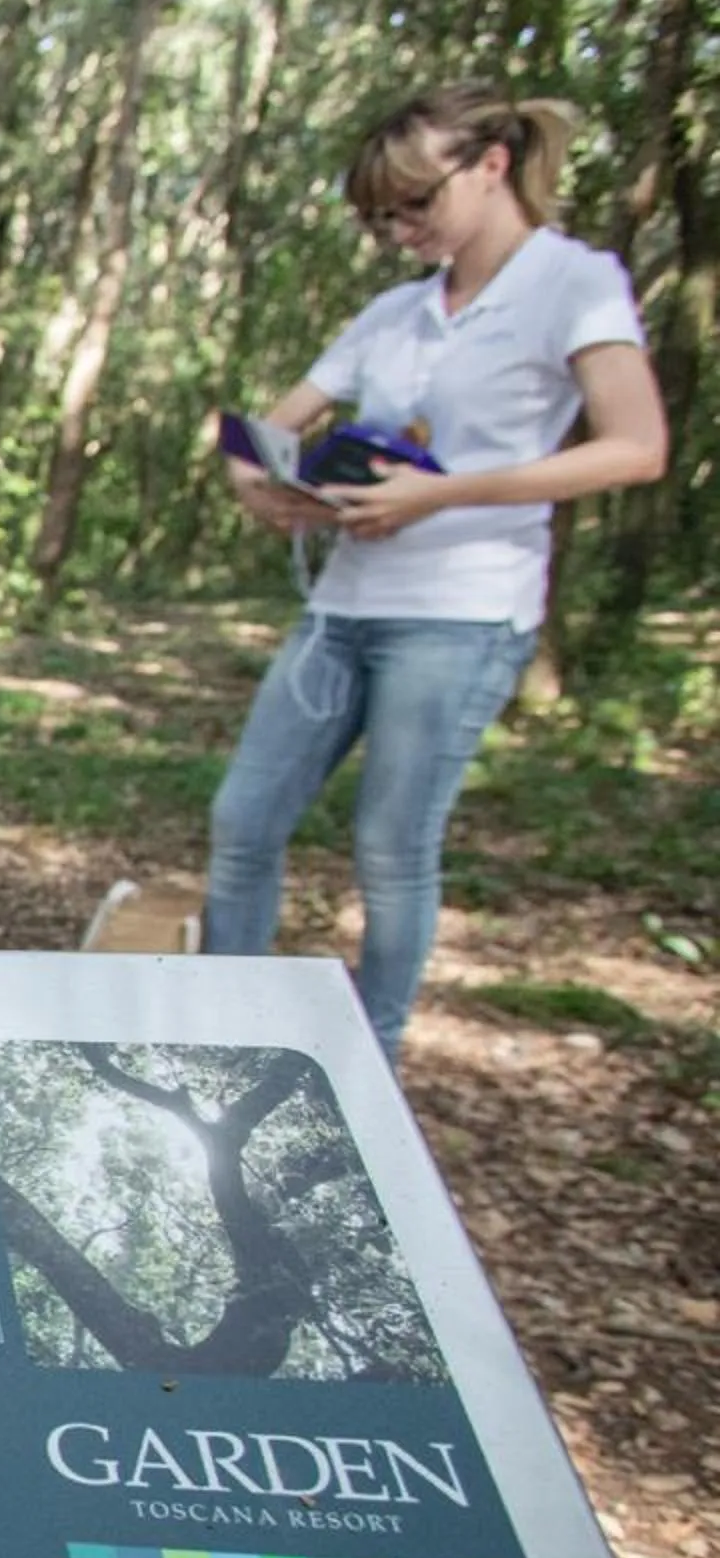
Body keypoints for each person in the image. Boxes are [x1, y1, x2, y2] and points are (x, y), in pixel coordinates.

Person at [212, 85, 666, 1060]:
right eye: (383, 216)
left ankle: (369, 1061)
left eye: (416, 205)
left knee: (389, 846)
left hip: (461, 611)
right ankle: (221, 1032)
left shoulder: (573, 282)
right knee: (244, 819)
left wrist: (443, 493)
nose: (401, 229)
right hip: (343, 604)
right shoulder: (395, 312)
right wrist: (268, 488)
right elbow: (266, 430)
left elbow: (635, 447)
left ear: (491, 165)